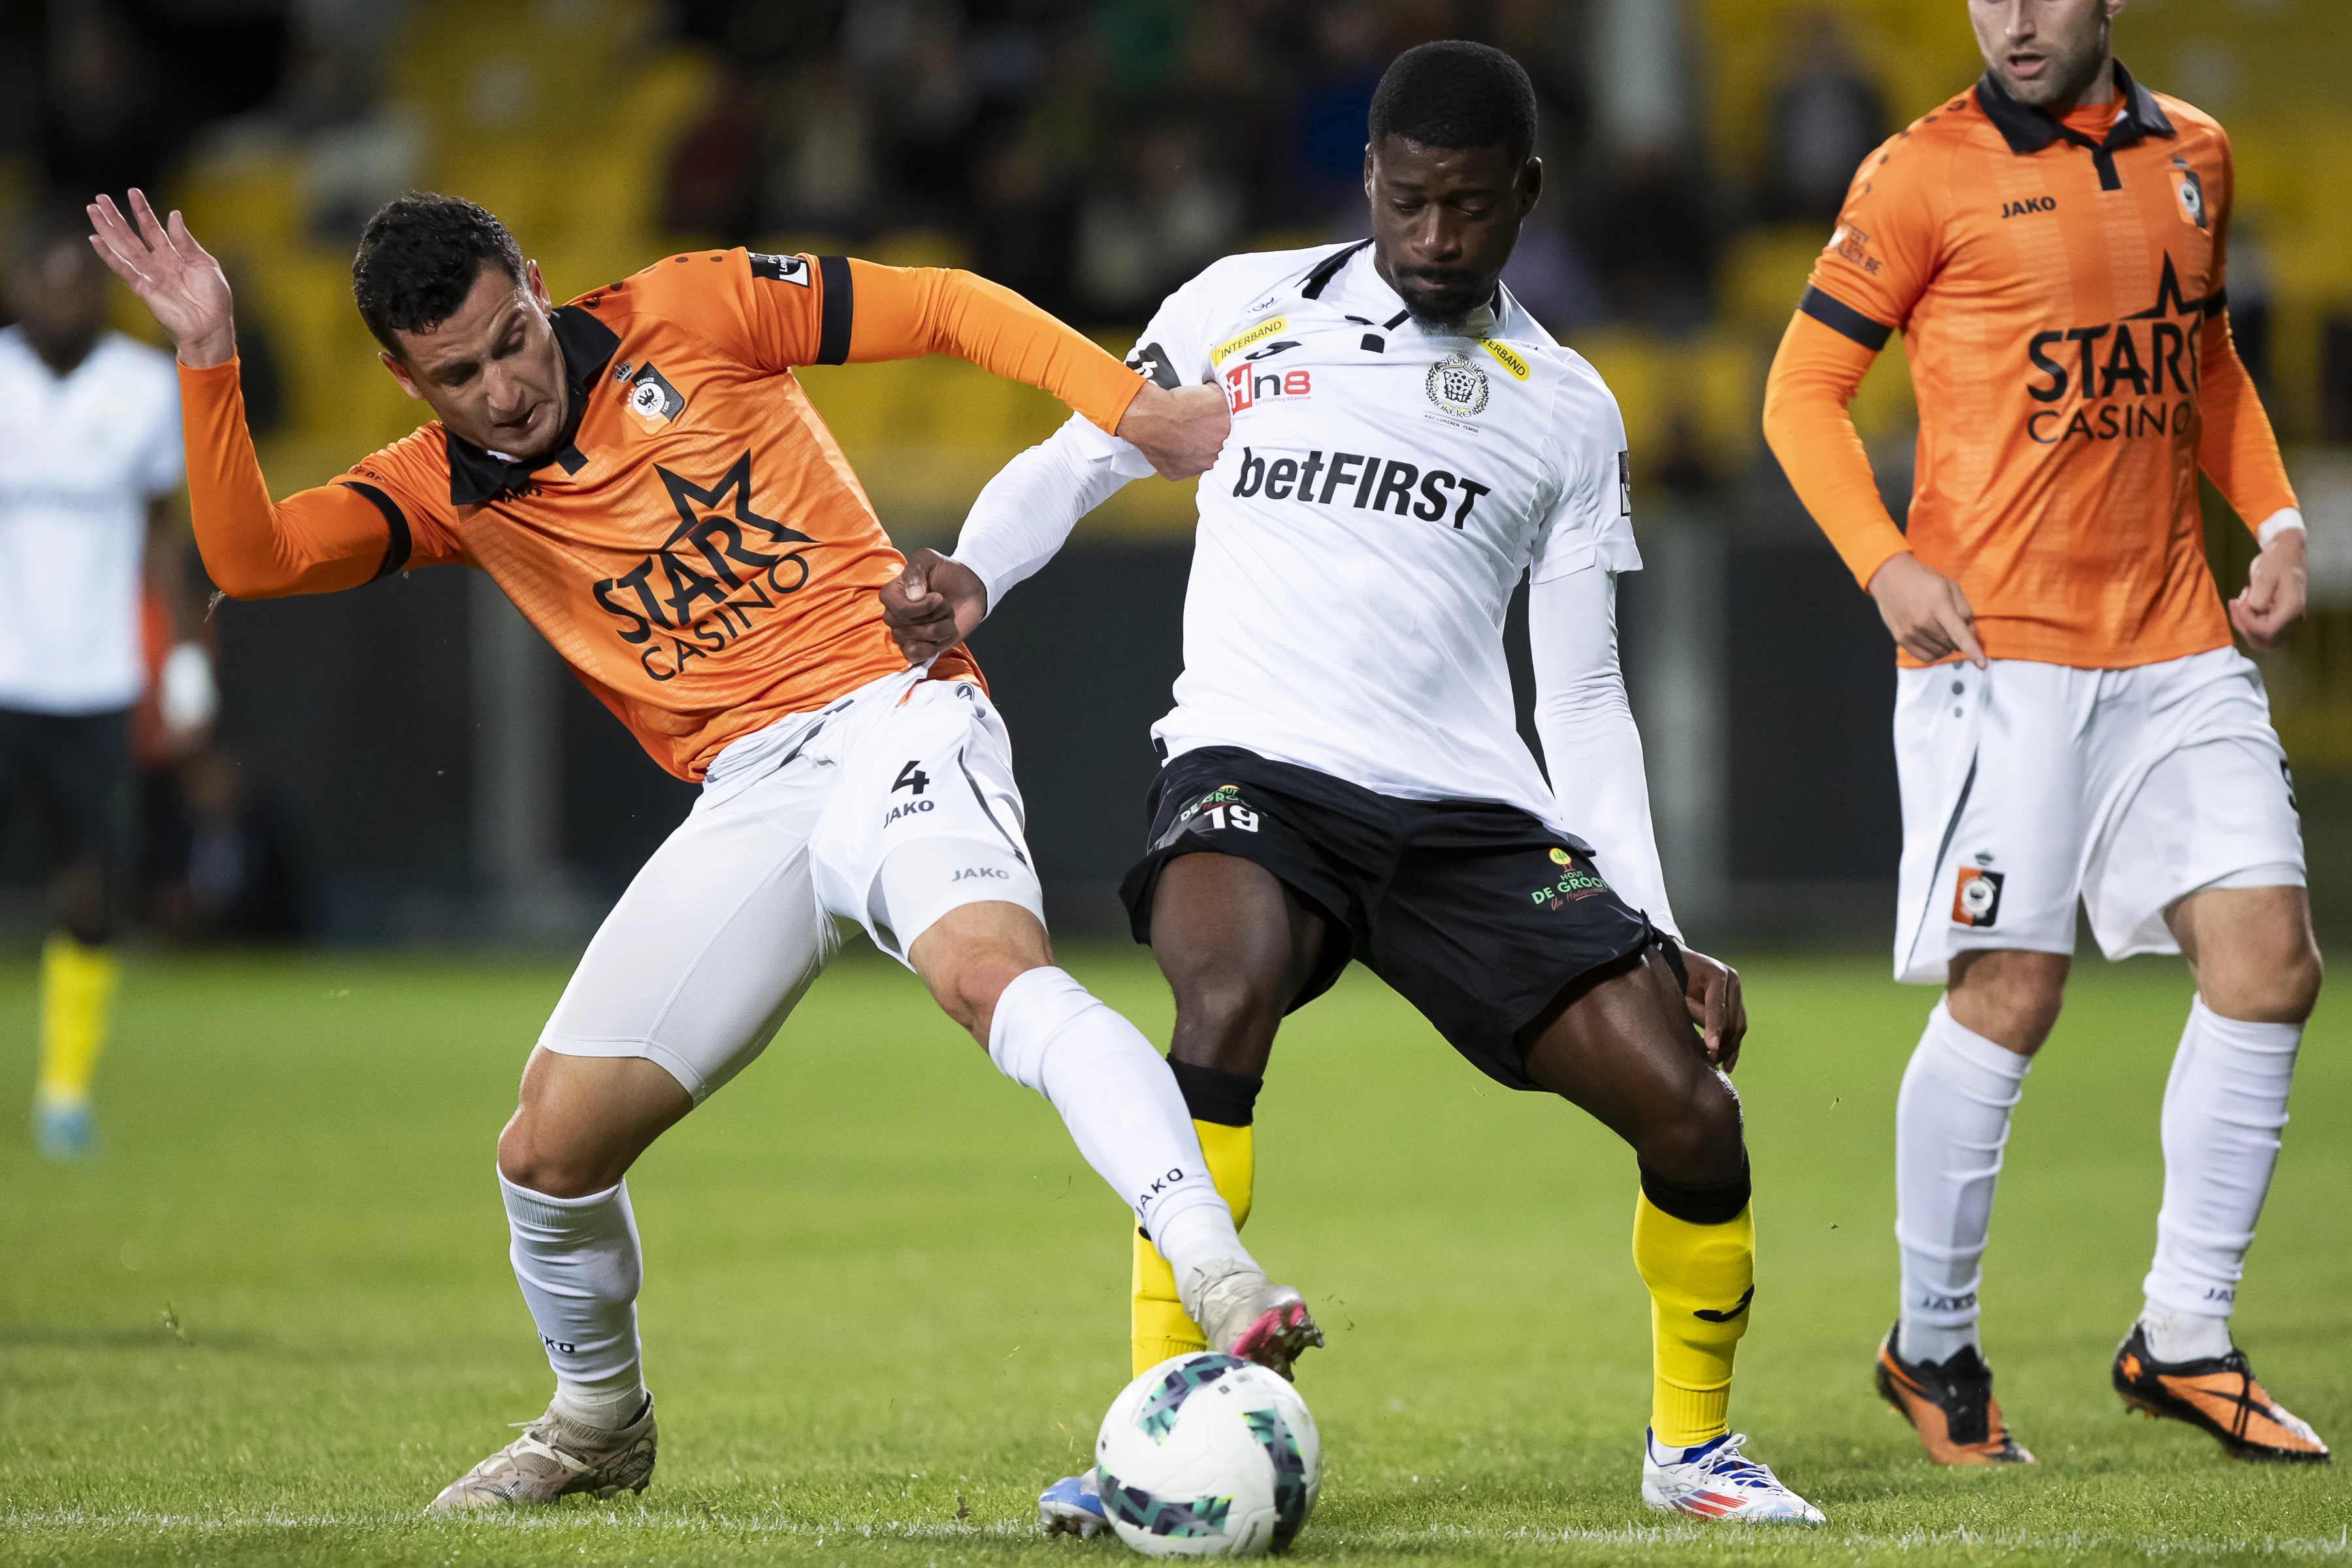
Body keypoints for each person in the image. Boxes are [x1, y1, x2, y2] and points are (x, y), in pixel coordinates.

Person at [87, 187, 1319, 1510]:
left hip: (890, 705)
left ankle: (1217, 1271)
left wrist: (1142, 412)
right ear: (405, 377)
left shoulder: (694, 307)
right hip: (749, 796)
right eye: (458, 374)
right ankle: (599, 1423)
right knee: (547, 1157)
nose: (503, 389)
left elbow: (951, 304)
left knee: (985, 977)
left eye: (512, 339)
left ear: (537, 282)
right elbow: (252, 558)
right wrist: (209, 349)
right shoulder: (439, 488)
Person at [887, 42, 1825, 1528]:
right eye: (1406, 202)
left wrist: (1655, 921)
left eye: (1469, 207)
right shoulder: (1235, 304)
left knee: (1695, 1115)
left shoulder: (1570, 408)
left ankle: (1692, 1450)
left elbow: (1581, 693)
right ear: (1369, 182)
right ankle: (1153, 1435)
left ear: (1527, 196)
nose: (1435, 238)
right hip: (1255, 764)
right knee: (1221, 998)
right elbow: (1078, 462)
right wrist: (973, 578)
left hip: (1469, 819)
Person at [1762, 0, 2326, 1467]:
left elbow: (2197, 365)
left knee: (2271, 968)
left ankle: (2183, 1339)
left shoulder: (2195, 154)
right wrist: (1882, 559)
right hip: (1996, 655)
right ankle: (1930, 1345)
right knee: (2012, 995)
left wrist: (2272, 516)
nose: (2011, 18)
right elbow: (1800, 394)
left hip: (2178, 638)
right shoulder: (1917, 173)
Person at [2, 208, 214, 1160]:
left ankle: (64, 1090)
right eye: (46, 281)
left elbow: (165, 531)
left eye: (76, 283)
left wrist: (181, 657)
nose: (61, 298)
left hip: (93, 680)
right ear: (18, 290)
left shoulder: (138, 388)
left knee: (87, 890)